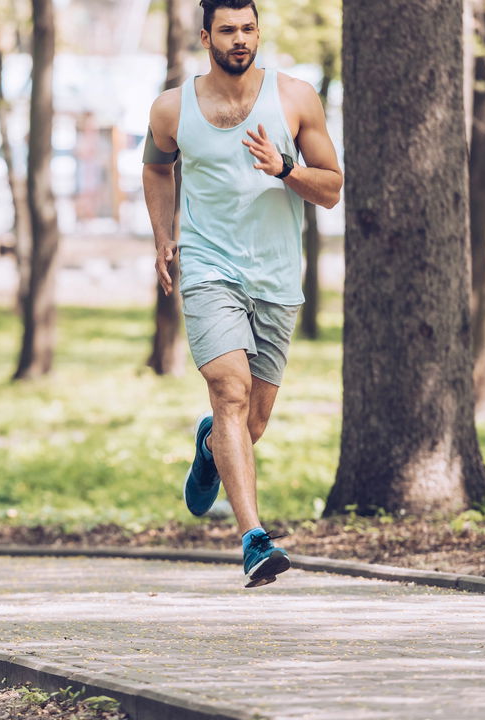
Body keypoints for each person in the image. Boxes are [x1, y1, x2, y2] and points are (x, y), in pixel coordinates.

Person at [142, 0, 343, 587]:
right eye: (228, 30)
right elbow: (156, 168)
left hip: (277, 277)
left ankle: (210, 447)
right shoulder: (172, 108)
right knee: (228, 391)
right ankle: (254, 539)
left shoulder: (296, 98)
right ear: (206, 36)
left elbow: (330, 189)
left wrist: (284, 168)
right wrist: (163, 236)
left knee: (249, 424)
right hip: (209, 269)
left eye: (248, 29)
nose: (240, 40)